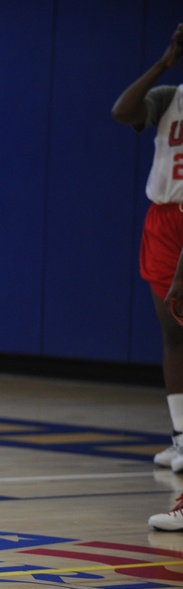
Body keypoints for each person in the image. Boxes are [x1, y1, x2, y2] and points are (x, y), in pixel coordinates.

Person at [112, 23, 183, 476]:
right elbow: (122, 111)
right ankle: (181, 437)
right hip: (164, 219)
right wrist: (163, 61)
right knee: (173, 332)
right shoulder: (169, 96)